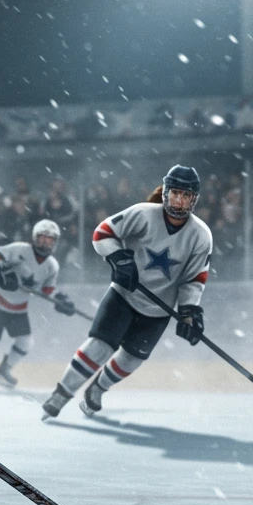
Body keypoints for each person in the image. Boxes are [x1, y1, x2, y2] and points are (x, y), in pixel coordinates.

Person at [41, 166, 211, 419]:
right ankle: (62, 393)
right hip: (124, 295)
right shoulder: (143, 214)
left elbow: (194, 279)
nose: (180, 200)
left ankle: (97, 389)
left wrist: (187, 312)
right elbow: (102, 233)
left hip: (158, 309)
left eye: (186, 195)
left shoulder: (201, 235)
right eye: (175, 193)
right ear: (165, 193)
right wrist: (118, 258)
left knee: (132, 359)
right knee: (98, 347)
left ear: (194, 199)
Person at [0, 219, 76, 390]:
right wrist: (0, 273)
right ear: (35, 238)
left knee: (25, 342)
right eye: (43, 238)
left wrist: (61, 300)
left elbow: (47, 290)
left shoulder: (52, 266)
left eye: (50, 239)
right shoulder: (20, 249)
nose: (46, 242)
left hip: (18, 308)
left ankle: (3, 370)